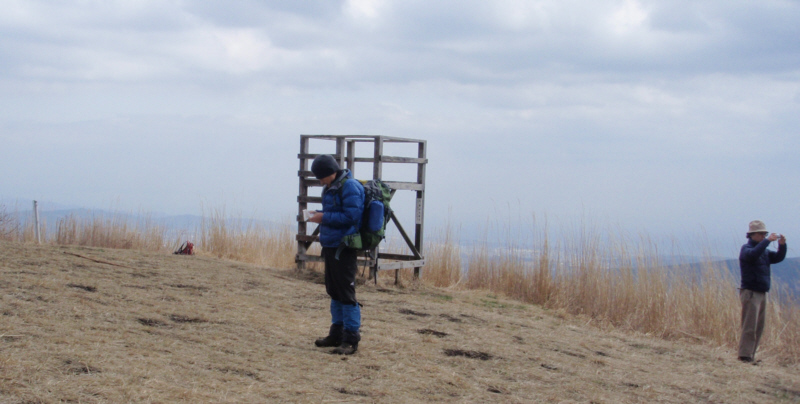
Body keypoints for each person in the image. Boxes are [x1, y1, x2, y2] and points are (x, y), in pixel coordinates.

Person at [307, 154, 365, 355]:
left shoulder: (350, 187)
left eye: (320, 177)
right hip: (331, 245)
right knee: (334, 290)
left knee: (346, 293)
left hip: (345, 247)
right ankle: (336, 334)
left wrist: (323, 217)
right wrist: (319, 216)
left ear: (329, 173)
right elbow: (336, 214)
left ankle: (351, 339)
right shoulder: (331, 187)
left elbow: (352, 216)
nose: (320, 181)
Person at [738, 220, 787, 363]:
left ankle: (750, 355)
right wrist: (766, 241)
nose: (763, 236)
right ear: (752, 235)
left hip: (761, 292)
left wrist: (782, 246)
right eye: (761, 234)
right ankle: (744, 355)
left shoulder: (764, 251)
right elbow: (753, 255)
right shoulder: (746, 249)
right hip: (750, 292)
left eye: (765, 234)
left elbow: (778, 258)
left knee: (758, 326)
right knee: (749, 325)